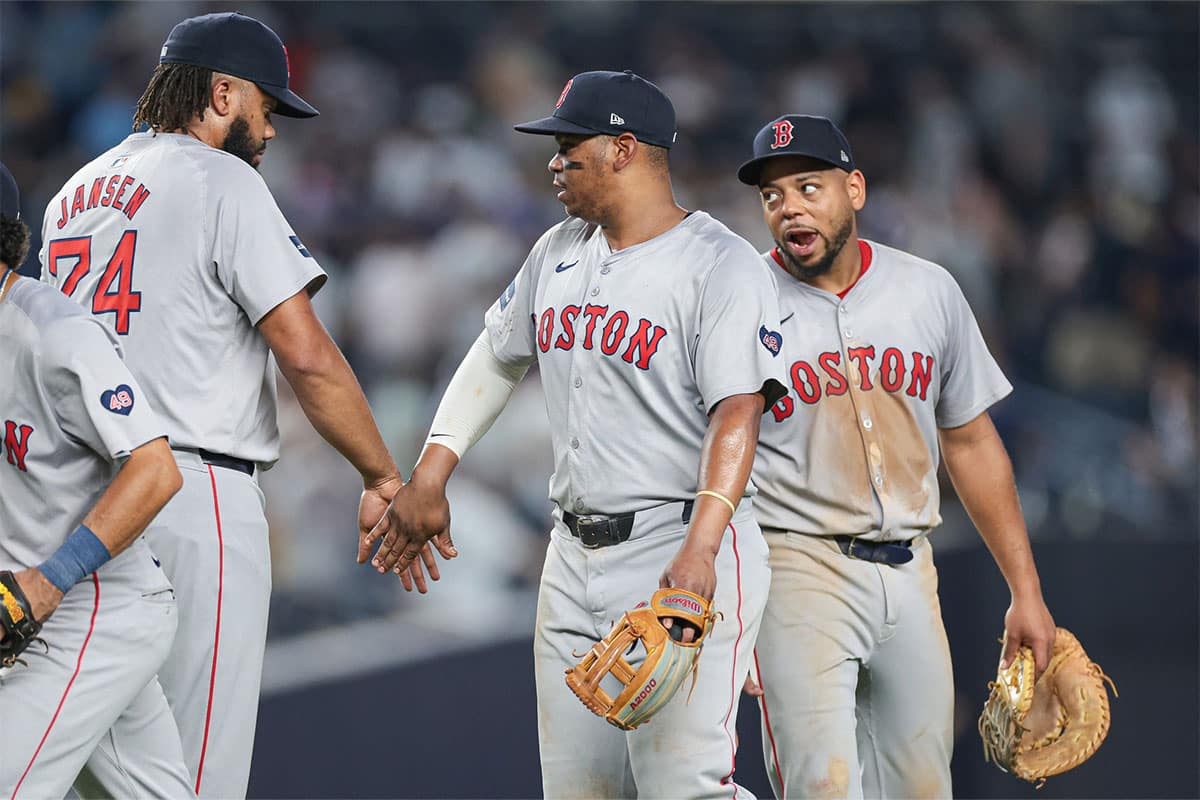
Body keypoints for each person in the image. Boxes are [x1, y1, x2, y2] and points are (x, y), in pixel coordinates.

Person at [38, 13, 440, 798]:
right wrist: (383, 476)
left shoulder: (69, 195)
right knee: (196, 776)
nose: (272, 129)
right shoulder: (223, 181)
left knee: (106, 777)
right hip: (190, 497)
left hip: (75, 508)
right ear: (221, 92)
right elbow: (306, 355)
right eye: (266, 106)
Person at [362, 70, 788, 797]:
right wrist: (432, 472)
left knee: (685, 787)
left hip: (676, 546)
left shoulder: (719, 264)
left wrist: (701, 550)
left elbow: (738, 412)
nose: (554, 162)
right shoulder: (557, 248)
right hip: (570, 558)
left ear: (625, 149)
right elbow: (496, 356)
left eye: (569, 147)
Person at [735, 115, 1057, 799]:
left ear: (854, 189)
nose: (788, 205)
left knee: (922, 788)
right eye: (772, 195)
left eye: (808, 186)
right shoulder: (738, 304)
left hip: (913, 570)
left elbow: (971, 443)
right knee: (821, 787)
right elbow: (707, 457)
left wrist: (1025, 592)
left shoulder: (927, 290)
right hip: (797, 568)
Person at [0, 162, 194, 798]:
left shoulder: (54, 333)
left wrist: (49, 581)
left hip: (93, 612)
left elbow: (155, 469)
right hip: (40, 620)